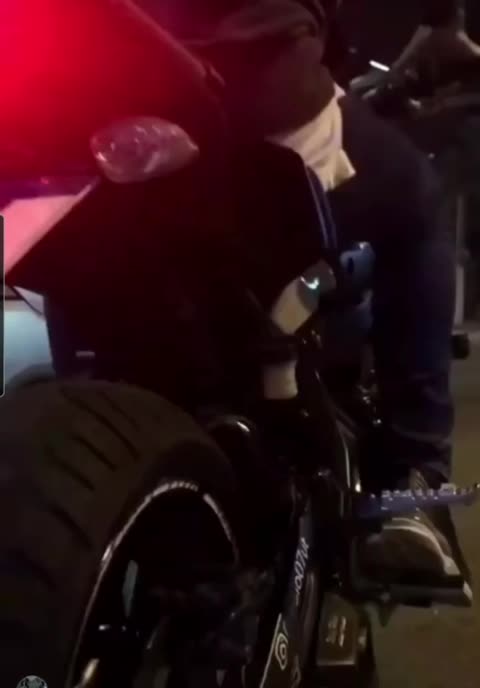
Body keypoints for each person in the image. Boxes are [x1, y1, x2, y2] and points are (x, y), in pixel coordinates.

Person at [144, 0, 480, 595]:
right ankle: (414, 480)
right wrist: (441, 29)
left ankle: (93, 399)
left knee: (82, 222)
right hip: (263, 98)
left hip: (124, 101)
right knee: (414, 200)